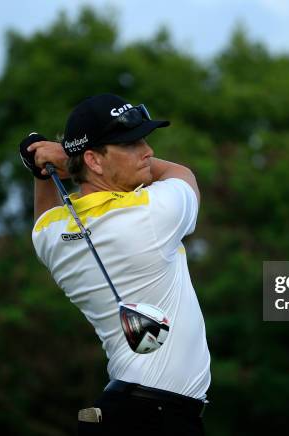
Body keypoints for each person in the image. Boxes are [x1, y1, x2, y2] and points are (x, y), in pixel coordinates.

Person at [21, 94, 211, 435]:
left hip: (121, 413)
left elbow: (46, 215)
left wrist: (47, 170)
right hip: (157, 418)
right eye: (130, 143)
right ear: (93, 160)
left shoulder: (53, 237)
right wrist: (65, 158)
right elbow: (183, 175)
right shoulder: (150, 214)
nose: (148, 151)